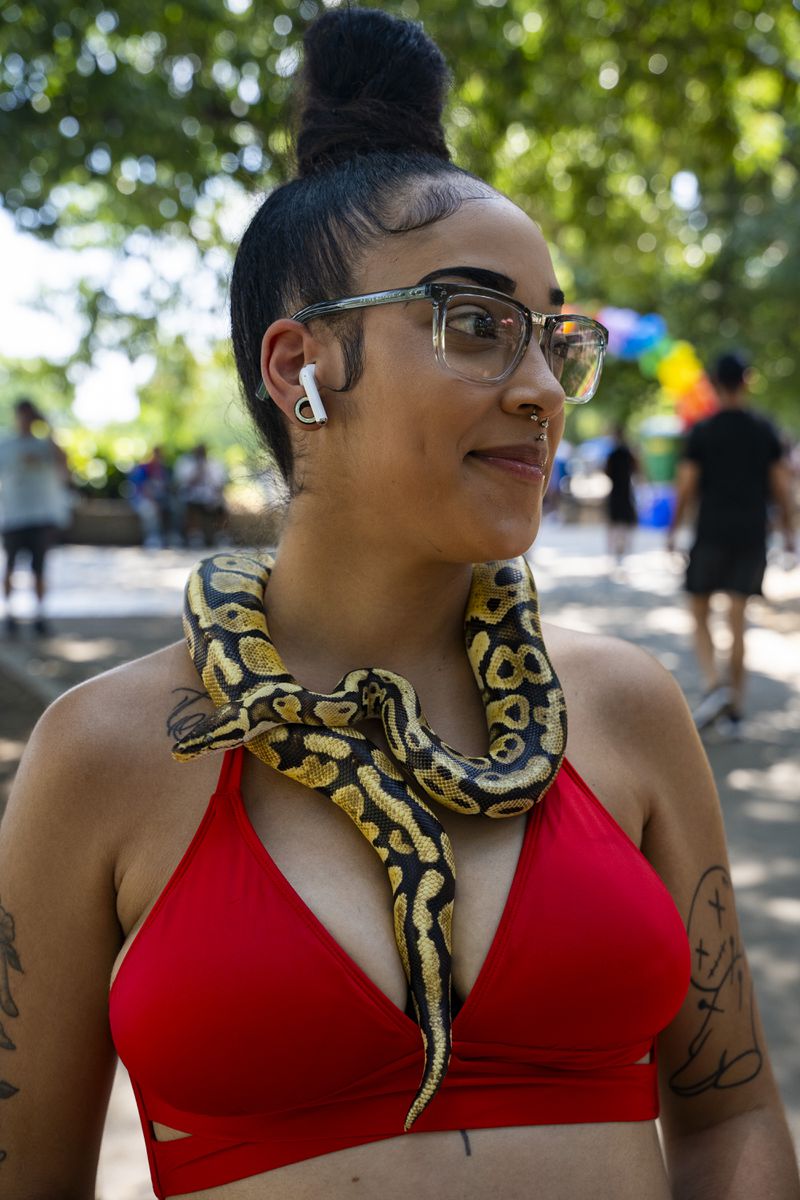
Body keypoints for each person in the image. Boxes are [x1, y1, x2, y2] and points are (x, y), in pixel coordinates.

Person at [2, 10, 798, 1200]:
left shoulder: (624, 708)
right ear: (299, 368)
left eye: (550, 339)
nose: (539, 389)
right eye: (476, 326)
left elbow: (731, 1117)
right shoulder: (105, 755)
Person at [667, 352, 795, 737]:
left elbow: (686, 486)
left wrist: (672, 530)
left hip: (711, 531)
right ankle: (735, 710)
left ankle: (713, 685)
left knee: (699, 610)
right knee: (738, 620)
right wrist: (790, 532)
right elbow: (781, 486)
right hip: (752, 533)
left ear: (713, 383)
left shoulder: (703, 431)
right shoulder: (764, 430)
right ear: (747, 380)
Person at [0, 397, 70, 637]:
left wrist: (49, 426)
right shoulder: (6, 444)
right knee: (9, 567)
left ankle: (40, 615)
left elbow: (64, 463)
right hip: (13, 517)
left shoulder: (45, 445)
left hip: (40, 517)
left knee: (39, 569)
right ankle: (10, 614)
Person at [173, 442, 228, 547]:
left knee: (222, 508)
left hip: (211, 498)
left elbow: (219, 484)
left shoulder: (214, 464)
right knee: (192, 508)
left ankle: (221, 536)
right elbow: (182, 484)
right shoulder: (185, 463)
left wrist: (216, 497)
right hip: (192, 498)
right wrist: (198, 469)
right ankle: (195, 537)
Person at [603, 423, 638, 566]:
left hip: (616, 490)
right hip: (626, 490)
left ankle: (615, 549)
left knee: (614, 521)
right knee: (625, 521)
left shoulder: (613, 453)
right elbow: (637, 468)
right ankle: (623, 548)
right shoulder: (628, 452)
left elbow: (606, 471)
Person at [128, 445, 174, 549]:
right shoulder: (143, 468)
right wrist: (152, 499)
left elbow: (167, 487)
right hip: (142, 499)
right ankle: (152, 537)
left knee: (174, 507)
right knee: (149, 510)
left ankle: (171, 536)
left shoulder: (163, 470)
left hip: (160, 498)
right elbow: (139, 488)